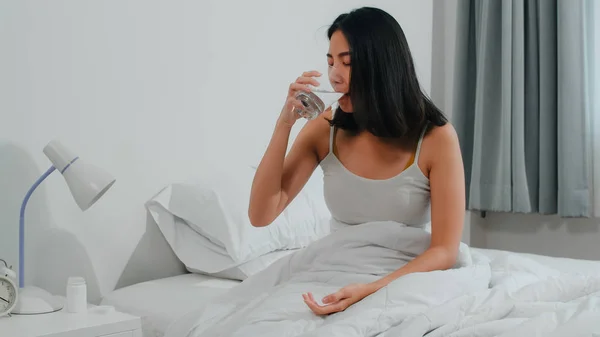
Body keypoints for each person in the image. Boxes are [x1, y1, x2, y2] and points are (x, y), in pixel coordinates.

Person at [248, 7, 465, 315]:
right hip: (334, 268)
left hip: (406, 276)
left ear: (383, 67)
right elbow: (261, 215)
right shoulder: (325, 129)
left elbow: (444, 251)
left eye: (347, 63)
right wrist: (284, 123)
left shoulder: (436, 138)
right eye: (330, 62)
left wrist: (370, 290)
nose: (334, 76)